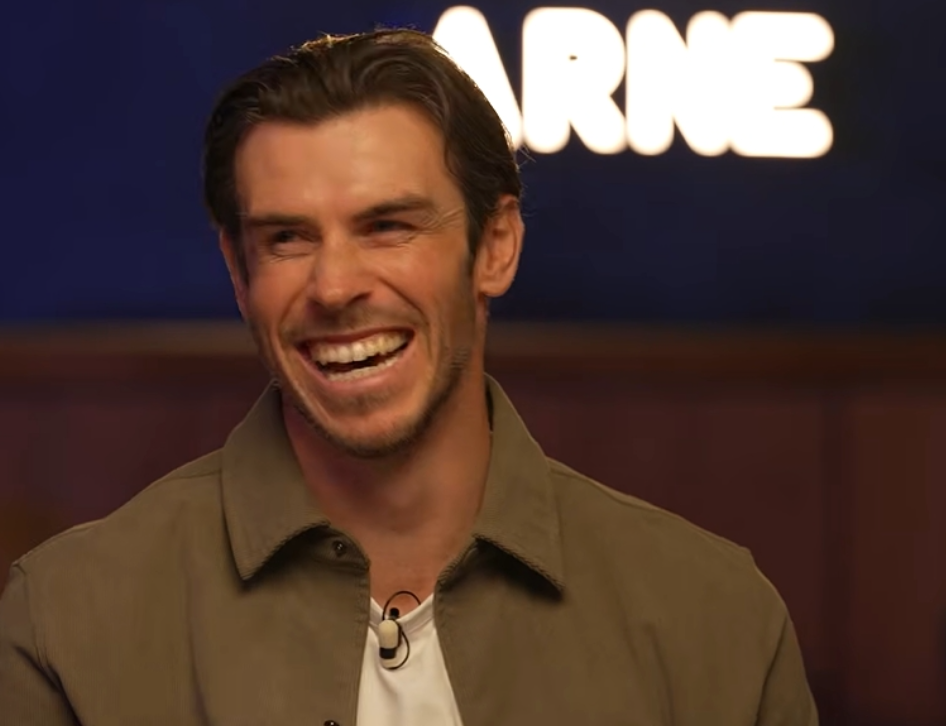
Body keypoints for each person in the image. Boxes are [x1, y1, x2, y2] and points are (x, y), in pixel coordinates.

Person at [0, 28, 817, 726]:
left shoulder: (717, 619)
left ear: (495, 246)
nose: (334, 287)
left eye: (387, 226)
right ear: (237, 272)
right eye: (287, 238)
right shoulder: (67, 620)